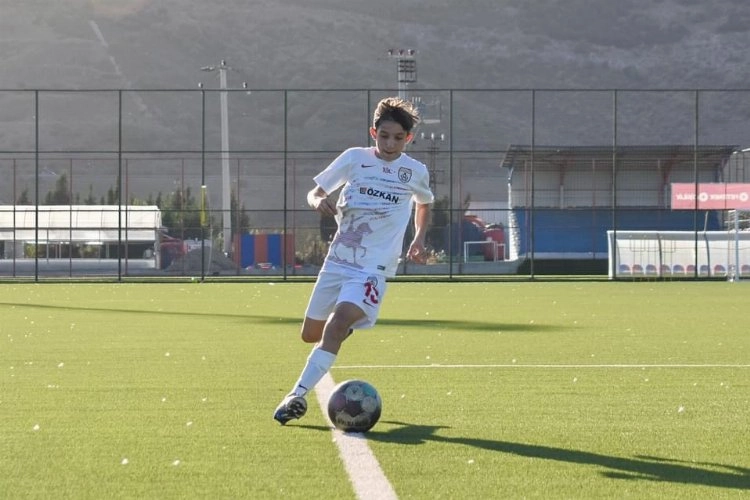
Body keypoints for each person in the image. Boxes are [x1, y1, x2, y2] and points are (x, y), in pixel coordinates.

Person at [273, 96, 435, 425]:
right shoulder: (354, 159)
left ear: (408, 138)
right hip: (337, 261)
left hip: (372, 268)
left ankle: (295, 395)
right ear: (373, 132)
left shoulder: (415, 171)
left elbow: (424, 203)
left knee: (336, 324)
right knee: (311, 335)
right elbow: (316, 192)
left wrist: (418, 238)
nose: (390, 144)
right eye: (384, 136)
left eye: (398, 138)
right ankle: (340, 332)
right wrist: (317, 201)